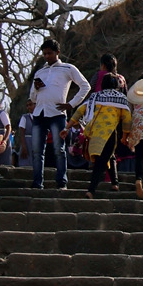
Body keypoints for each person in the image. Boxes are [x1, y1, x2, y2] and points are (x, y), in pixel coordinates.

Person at [28, 39, 90, 190]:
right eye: (45, 54)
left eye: (50, 53)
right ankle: (37, 183)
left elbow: (85, 86)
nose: (47, 56)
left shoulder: (67, 68)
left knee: (59, 149)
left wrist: (71, 104)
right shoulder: (40, 72)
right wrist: (36, 88)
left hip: (57, 113)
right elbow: (32, 98)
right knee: (37, 151)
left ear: (57, 53)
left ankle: (61, 182)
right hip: (39, 112)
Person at [72, 70, 130, 198]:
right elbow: (127, 119)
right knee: (102, 160)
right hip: (110, 135)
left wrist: (68, 126)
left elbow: (80, 111)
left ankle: (111, 184)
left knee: (106, 157)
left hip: (95, 134)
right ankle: (92, 190)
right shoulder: (121, 98)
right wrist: (125, 135)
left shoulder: (95, 97)